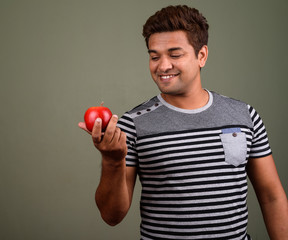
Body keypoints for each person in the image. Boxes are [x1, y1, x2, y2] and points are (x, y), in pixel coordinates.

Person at [78, 5, 288, 240]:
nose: (163, 66)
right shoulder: (131, 125)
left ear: (202, 56)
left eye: (175, 55)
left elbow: (271, 196)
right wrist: (112, 162)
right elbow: (111, 216)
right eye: (154, 56)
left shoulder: (245, 115)